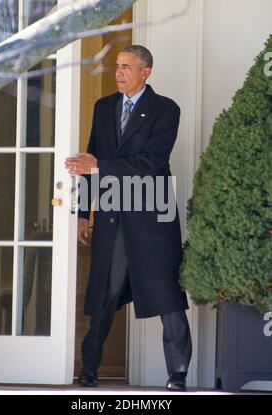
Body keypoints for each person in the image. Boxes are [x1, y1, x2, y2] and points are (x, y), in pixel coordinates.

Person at [65, 45, 192, 391]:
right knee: (105, 292)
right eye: (117, 66)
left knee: (166, 295)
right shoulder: (104, 107)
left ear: (146, 72)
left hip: (153, 214)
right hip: (112, 213)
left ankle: (177, 374)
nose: (118, 72)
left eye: (126, 67)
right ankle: (88, 371)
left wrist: (99, 166)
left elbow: (151, 163)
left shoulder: (166, 110)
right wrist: (81, 213)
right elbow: (91, 162)